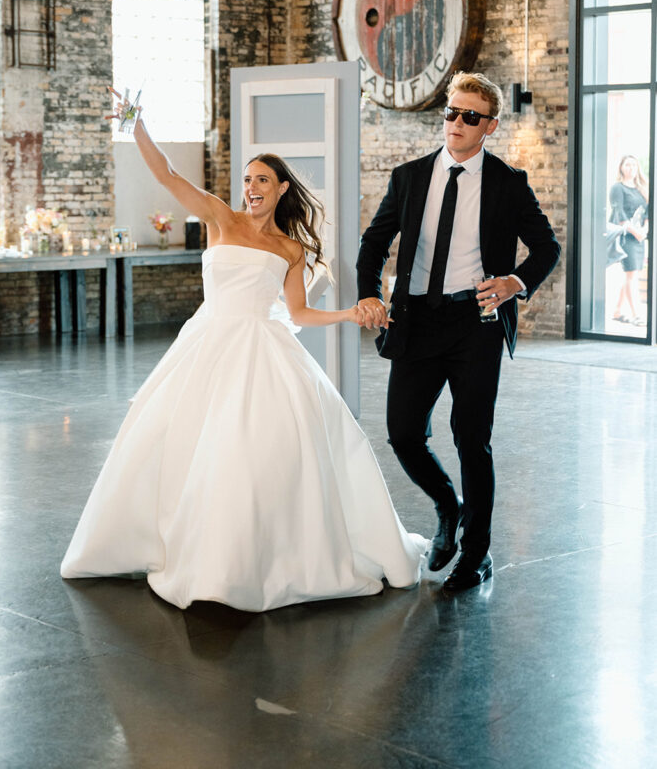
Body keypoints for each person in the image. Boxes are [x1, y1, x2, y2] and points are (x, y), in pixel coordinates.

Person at [61, 102, 427, 611]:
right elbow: (166, 174)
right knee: (180, 442)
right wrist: (137, 123)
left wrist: (347, 315)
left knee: (254, 450)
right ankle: (176, 544)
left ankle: (256, 558)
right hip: (206, 344)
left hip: (263, 350)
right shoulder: (220, 217)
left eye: (262, 180)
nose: (251, 187)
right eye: (248, 179)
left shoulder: (291, 249)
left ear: (281, 190)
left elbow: (297, 312)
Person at [356, 71, 560, 592]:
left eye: (471, 116)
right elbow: (374, 243)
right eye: (452, 112)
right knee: (403, 434)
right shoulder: (409, 178)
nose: (457, 123)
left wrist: (515, 282)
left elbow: (547, 248)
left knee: (473, 439)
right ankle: (450, 506)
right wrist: (369, 294)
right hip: (416, 322)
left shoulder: (509, 184)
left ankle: (477, 555)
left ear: (489, 126)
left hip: (476, 326)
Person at [609, 154, 648, 327]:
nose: (631, 168)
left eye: (633, 165)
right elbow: (619, 214)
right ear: (621, 167)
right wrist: (635, 232)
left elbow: (648, 210)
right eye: (627, 165)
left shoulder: (641, 188)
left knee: (632, 274)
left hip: (639, 236)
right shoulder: (618, 188)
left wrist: (644, 230)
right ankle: (636, 314)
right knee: (631, 274)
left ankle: (617, 311)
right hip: (626, 236)